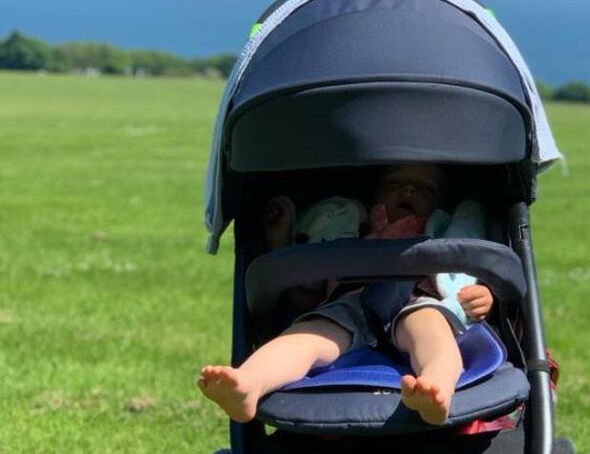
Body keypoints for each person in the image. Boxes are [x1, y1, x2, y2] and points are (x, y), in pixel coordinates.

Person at [197, 164, 494, 425]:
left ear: (442, 204)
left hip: (417, 299)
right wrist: (279, 241)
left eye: (426, 189)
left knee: (433, 334)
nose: (409, 189)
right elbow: (304, 298)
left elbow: (469, 282)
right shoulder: (350, 227)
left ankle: (436, 386)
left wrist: (482, 295)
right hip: (349, 303)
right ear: (374, 195)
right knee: (304, 337)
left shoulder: (443, 233)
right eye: (395, 183)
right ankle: (250, 383)